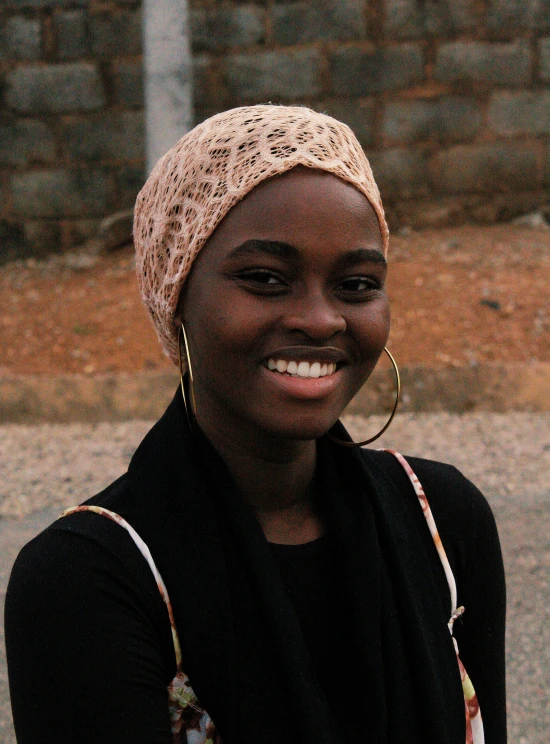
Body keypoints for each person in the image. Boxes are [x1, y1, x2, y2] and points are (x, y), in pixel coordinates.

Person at [5, 105, 506, 744]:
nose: (321, 320)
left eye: (356, 284)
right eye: (266, 279)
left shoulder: (444, 523)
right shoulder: (87, 580)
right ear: (176, 293)